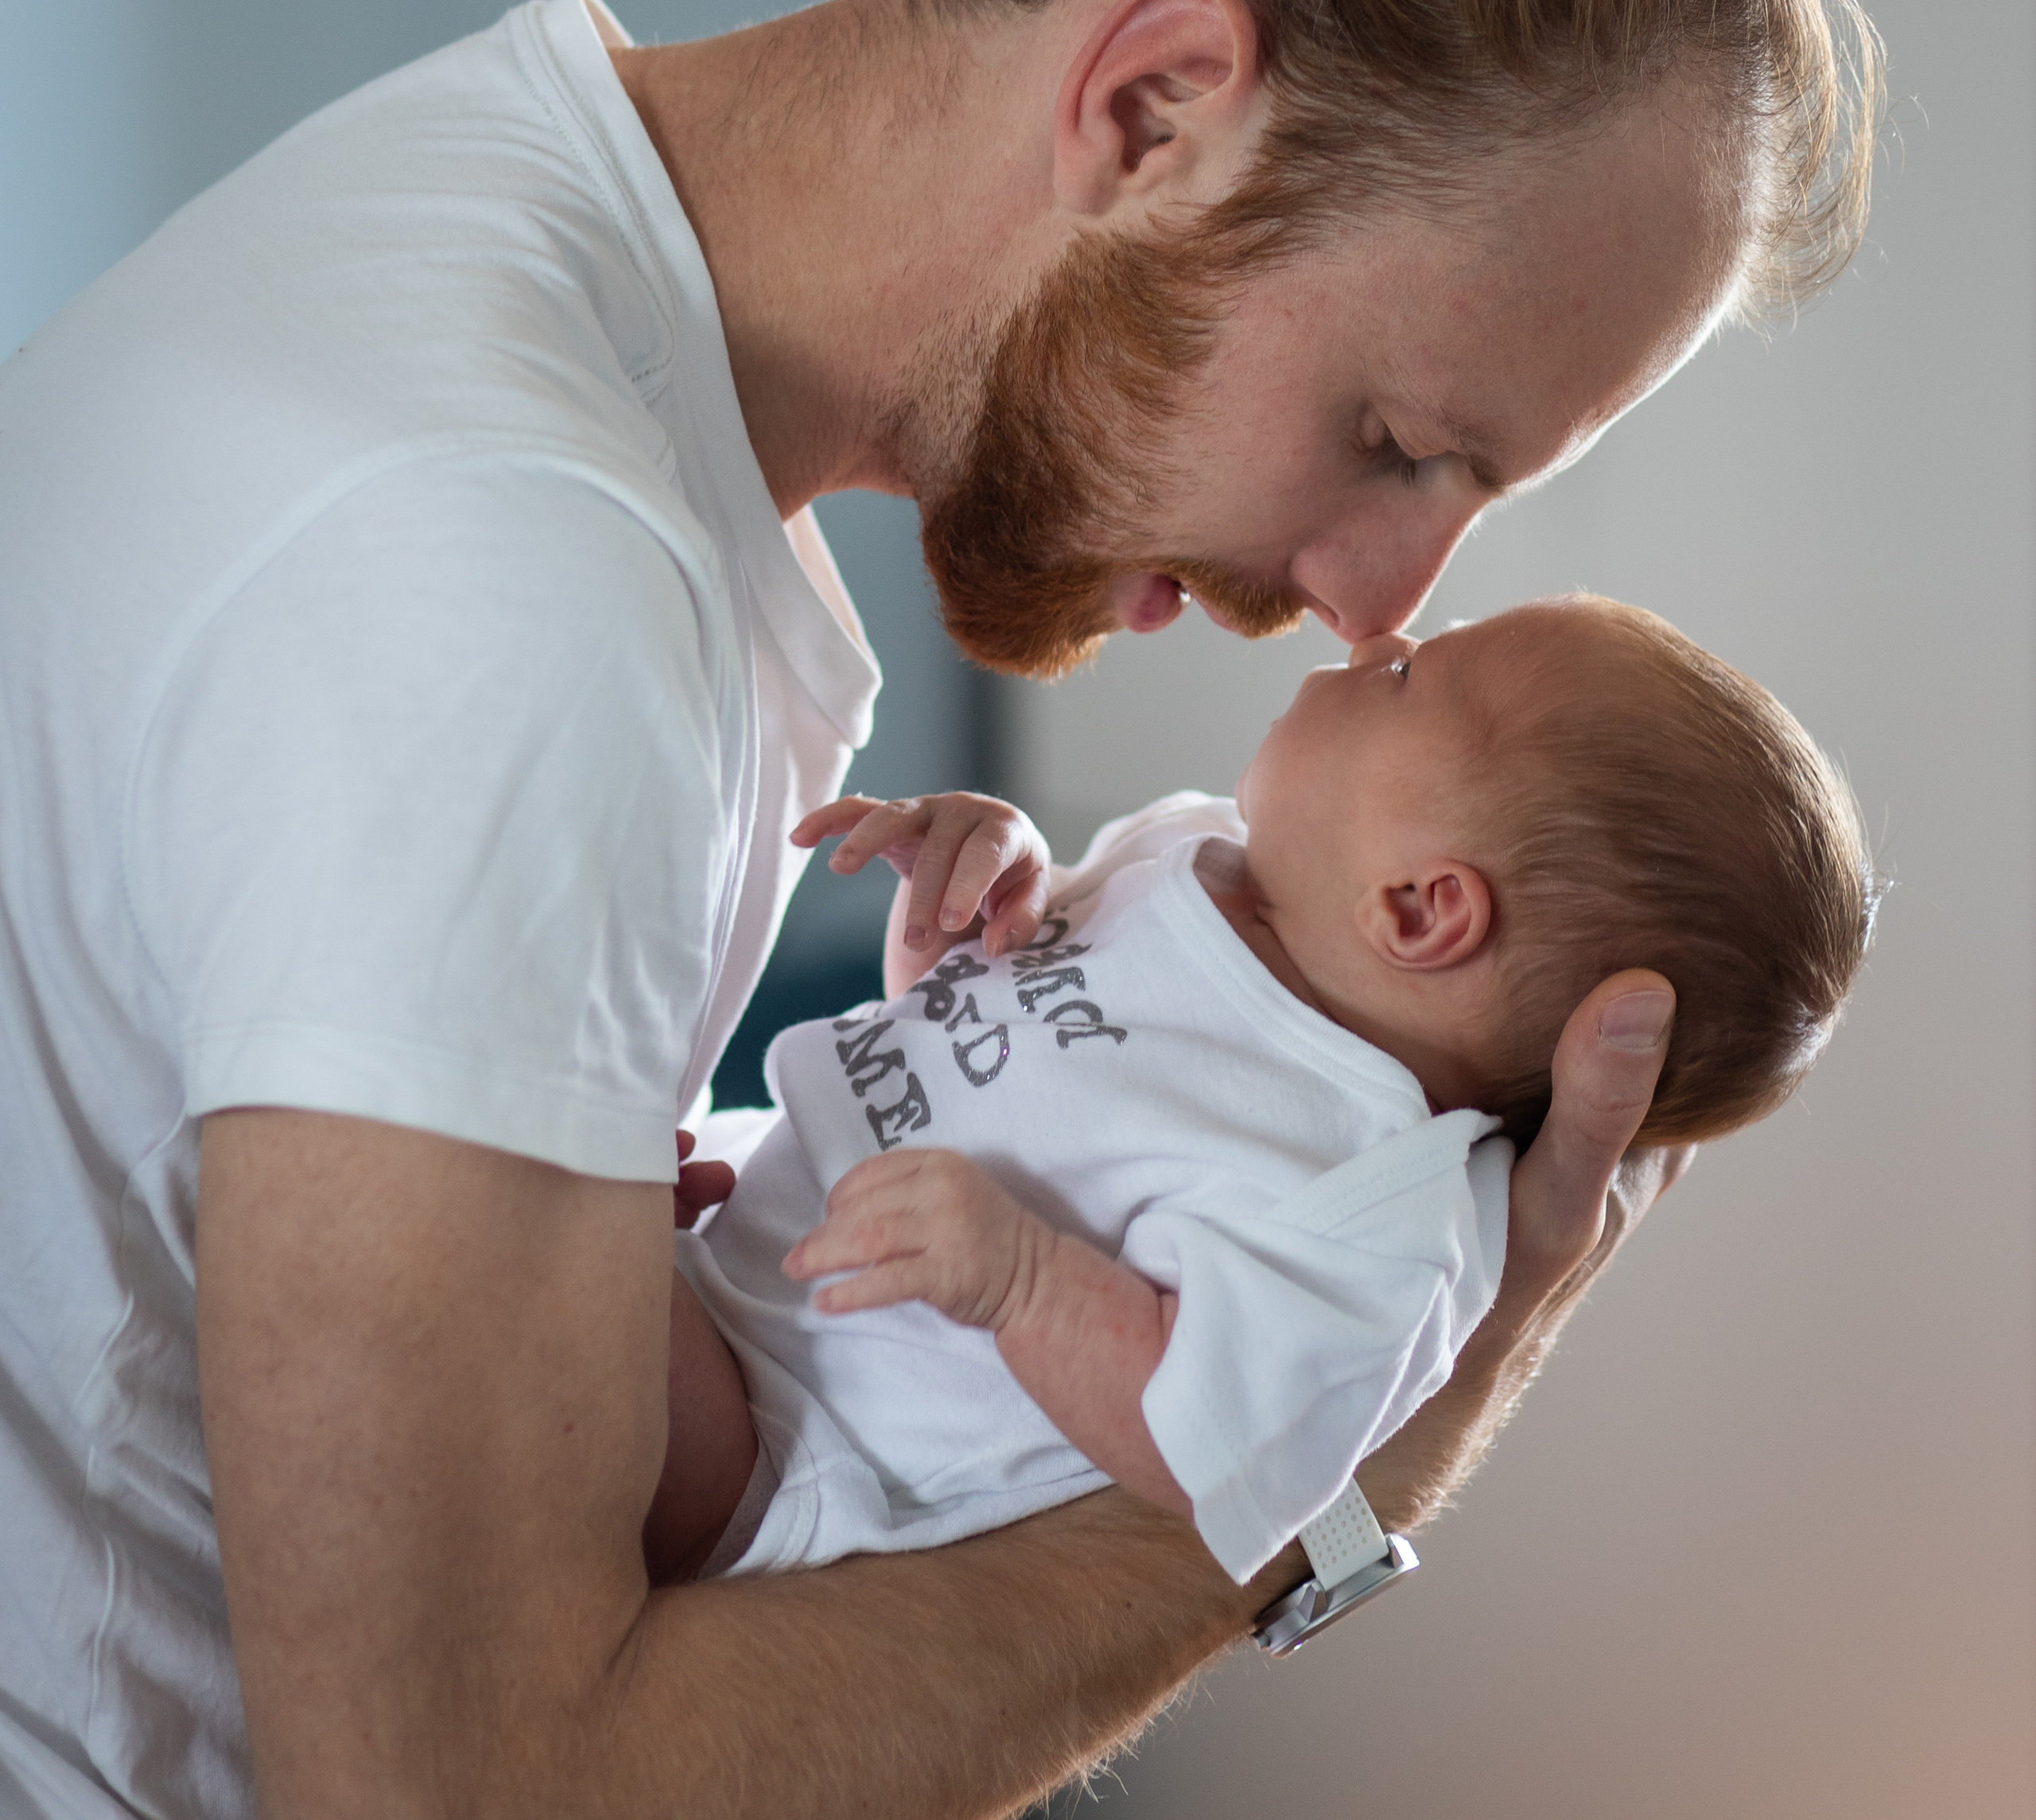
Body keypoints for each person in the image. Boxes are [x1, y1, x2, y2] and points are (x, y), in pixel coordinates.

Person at [0, 0, 1875, 1820]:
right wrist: (1330, 1476)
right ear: (1156, 100)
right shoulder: (508, 574)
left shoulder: (469, 253)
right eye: (1395, 439)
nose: (1369, 599)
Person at [647, 596, 1875, 1592]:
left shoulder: (1379, 1201)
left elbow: (1216, 1450)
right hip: (738, 1218)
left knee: (537, 1256)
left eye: (1414, 675)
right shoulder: (1193, 857)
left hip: (792, 1434)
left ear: (1421, 908)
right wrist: (970, 901)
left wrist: (1021, 1280)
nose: (1379, 638)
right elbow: (969, 1042)